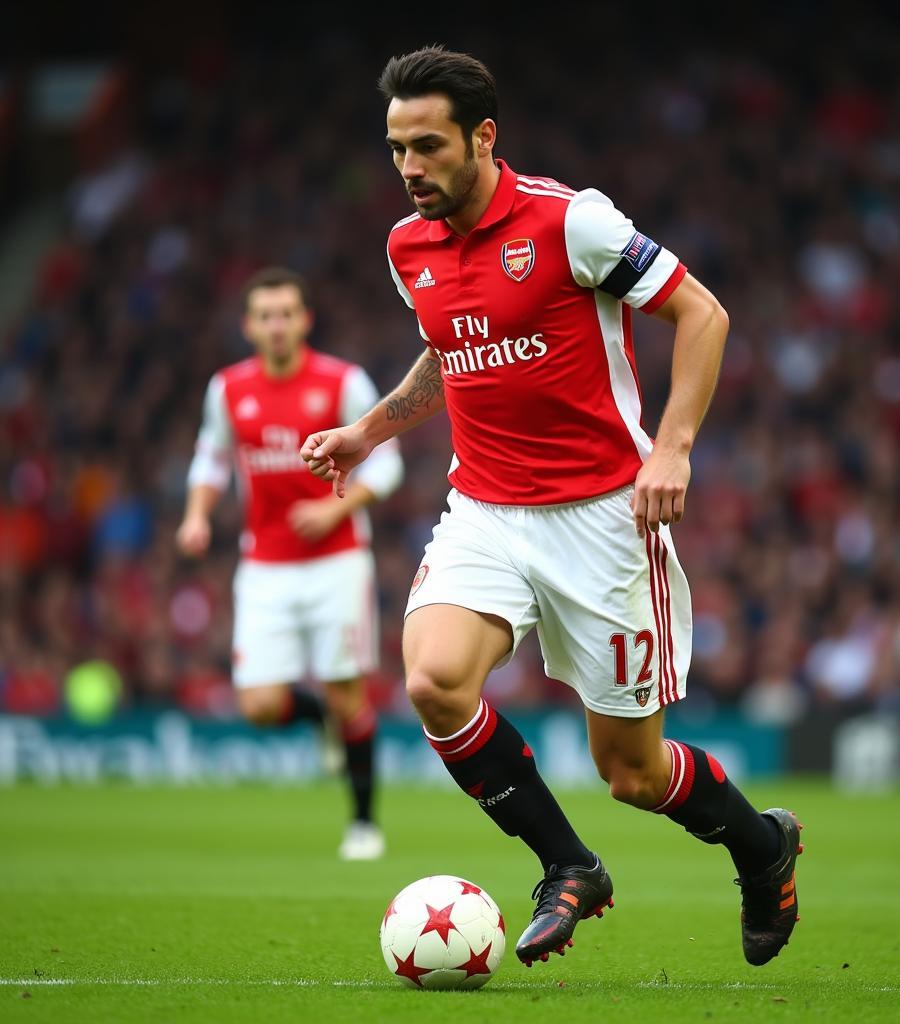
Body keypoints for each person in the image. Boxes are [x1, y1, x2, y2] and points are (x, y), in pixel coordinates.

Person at [302, 47, 803, 963]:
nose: (409, 168)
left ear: (482, 137)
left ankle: (762, 847)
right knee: (433, 680)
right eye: (394, 149)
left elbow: (704, 314)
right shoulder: (406, 246)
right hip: (486, 508)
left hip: (605, 519)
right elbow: (449, 350)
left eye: (427, 146)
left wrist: (675, 449)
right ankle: (568, 866)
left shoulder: (572, 221)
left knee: (634, 773)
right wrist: (368, 432)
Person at [178, 266, 403, 860]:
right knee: (258, 704)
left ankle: (363, 825)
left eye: (286, 314)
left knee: (348, 693)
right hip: (265, 565)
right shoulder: (228, 389)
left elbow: (386, 465)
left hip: (337, 561)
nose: (276, 326)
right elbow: (211, 460)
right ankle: (318, 721)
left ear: (305, 320)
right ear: (249, 325)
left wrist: (337, 511)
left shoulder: (342, 382)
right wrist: (197, 515)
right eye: (265, 316)